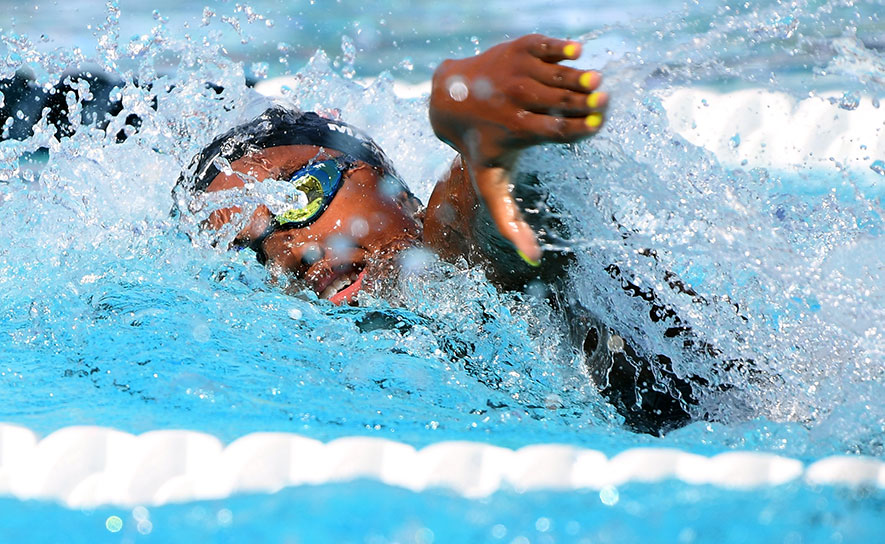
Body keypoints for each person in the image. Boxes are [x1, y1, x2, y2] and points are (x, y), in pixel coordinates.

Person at [173, 34, 700, 435]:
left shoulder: (444, 251)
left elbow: (484, 218)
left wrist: (486, 130)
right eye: (249, 251)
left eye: (297, 197)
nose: (286, 250)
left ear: (385, 182)